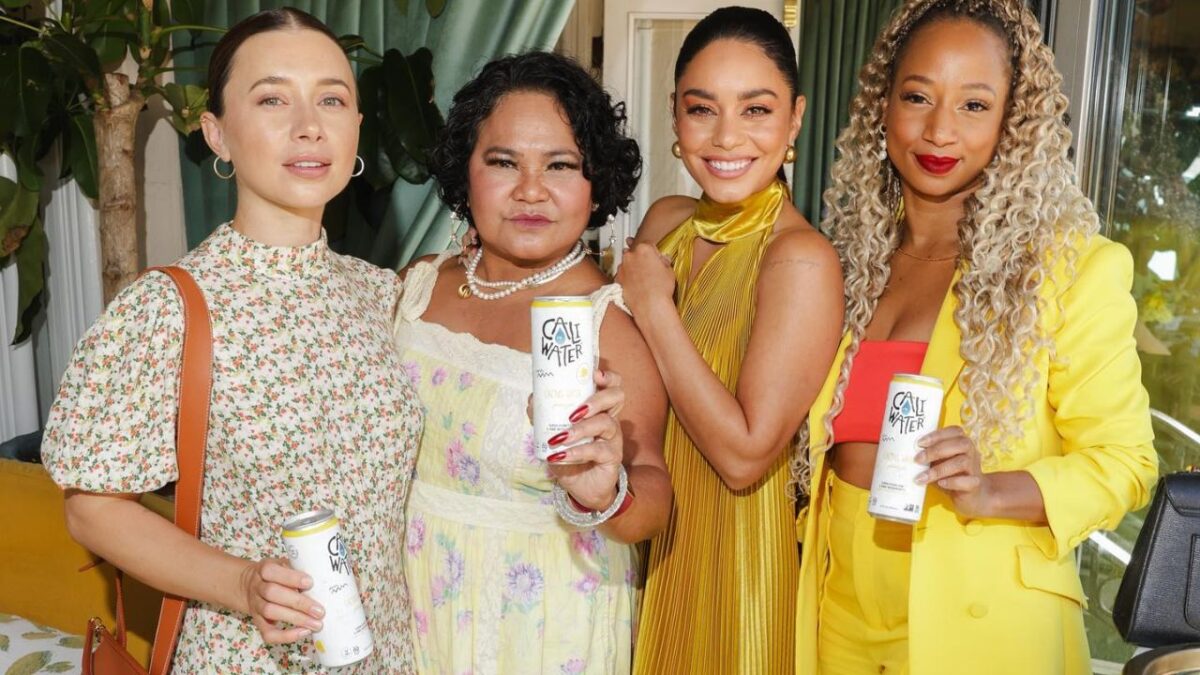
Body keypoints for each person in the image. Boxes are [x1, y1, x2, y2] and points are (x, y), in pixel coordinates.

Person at [40, 9, 421, 672]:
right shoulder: (169, 308)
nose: (309, 125)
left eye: (332, 99)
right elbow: (92, 510)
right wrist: (242, 584)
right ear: (216, 134)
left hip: (388, 655)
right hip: (244, 657)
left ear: (357, 127)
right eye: (272, 99)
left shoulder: (382, 294)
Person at [794, 1, 1159, 673]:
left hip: (981, 622)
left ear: (1011, 122)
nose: (939, 130)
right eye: (918, 97)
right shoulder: (843, 265)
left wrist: (992, 488)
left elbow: (1126, 463)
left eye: (974, 105)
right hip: (836, 612)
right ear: (882, 105)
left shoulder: (1066, 270)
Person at [393, 51, 671, 674]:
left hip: (541, 622)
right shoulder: (417, 285)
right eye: (503, 162)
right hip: (410, 605)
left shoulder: (607, 326)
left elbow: (654, 493)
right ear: (465, 170)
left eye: (560, 165)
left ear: (595, 182)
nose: (530, 190)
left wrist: (606, 495)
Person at [617, 7, 844, 673]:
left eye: (756, 110)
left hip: (738, 562)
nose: (725, 136)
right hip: (644, 534)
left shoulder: (800, 259)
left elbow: (745, 455)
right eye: (702, 109)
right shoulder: (665, 221)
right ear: (674, 114)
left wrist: (654, 308)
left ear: (795, 119)